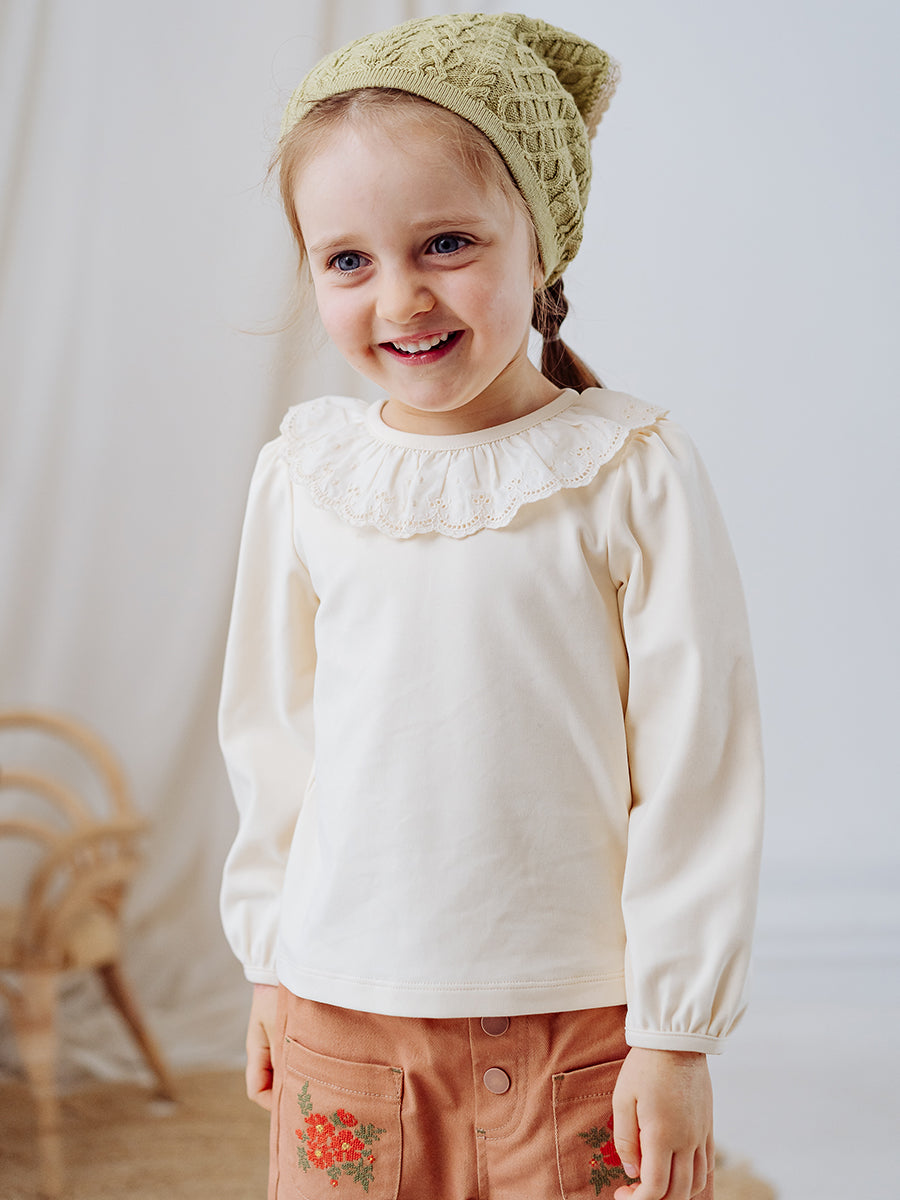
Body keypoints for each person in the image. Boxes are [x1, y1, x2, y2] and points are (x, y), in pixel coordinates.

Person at [218, 13, 764, 1200]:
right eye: (348, 260)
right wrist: (269, 961)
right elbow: (272, 742)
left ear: (541, 245)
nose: (401, 296)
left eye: (447, 242)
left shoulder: (630, 470)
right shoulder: (304, 474)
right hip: (344, 1014)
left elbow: (697, 765)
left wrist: (676, 1032)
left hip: (582, 1028)